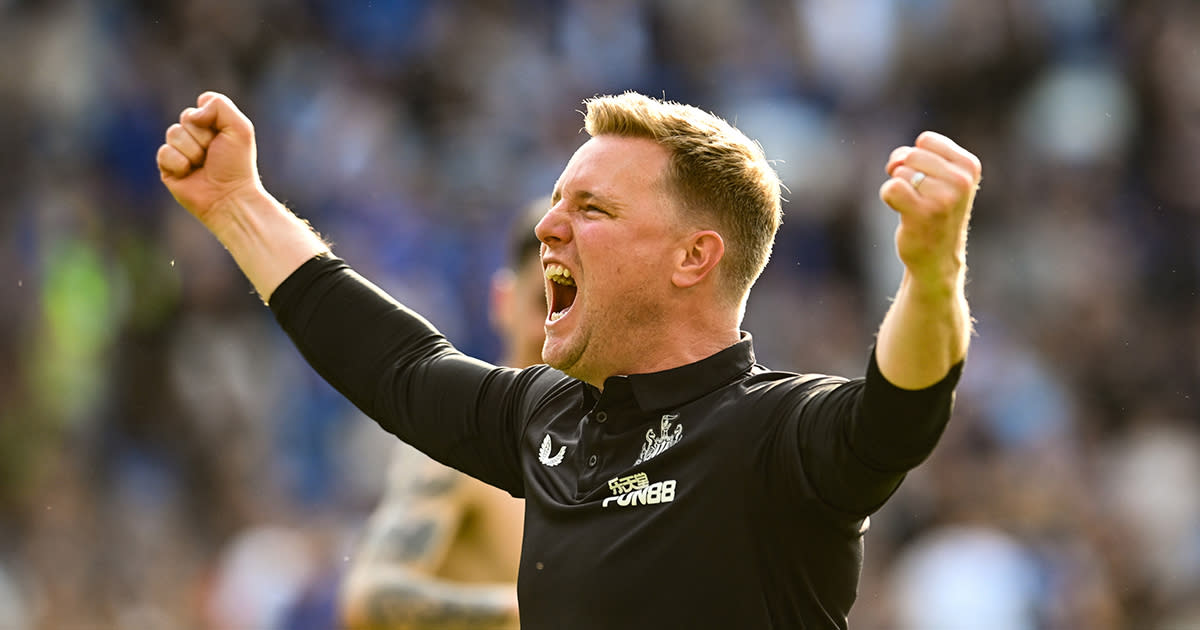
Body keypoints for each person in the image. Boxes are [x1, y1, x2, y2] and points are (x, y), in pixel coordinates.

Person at [157, 90, 979, 629]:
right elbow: (397, 369)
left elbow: (898, 409)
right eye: (555, 203)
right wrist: (238, 205)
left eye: (591, 208)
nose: (550, 227)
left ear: (692, 257)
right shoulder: (545, 421)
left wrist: (934, 273)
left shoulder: (772, 432)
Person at [338, 200, 549, 630]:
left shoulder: (620, 446)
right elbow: (371, 594)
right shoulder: (464, 435)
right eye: (543, 303)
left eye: (575, 304)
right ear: (503, 300)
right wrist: (525, 612)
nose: (553, 327)